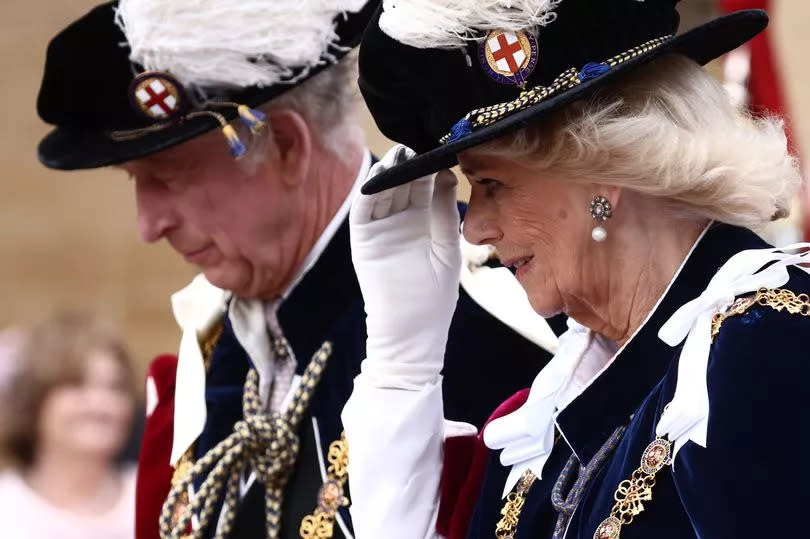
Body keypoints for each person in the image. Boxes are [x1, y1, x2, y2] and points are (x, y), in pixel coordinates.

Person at [35, 1, 559, 538]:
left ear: (287, 147)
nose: (149, 224)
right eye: (134, 181)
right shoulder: (212, 341)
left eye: (170, 178)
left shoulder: (495, 311)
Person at [342, 1, 808, 538]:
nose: (475, 229)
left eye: (492, 184)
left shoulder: (765, 340)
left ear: (603, 175)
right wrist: (401, 368)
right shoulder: (548, 415)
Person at [0, 313, 137, 539]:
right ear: (34, 400)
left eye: (115, 387)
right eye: (77, 385)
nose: (100, 403)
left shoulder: (158, 500)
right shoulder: (6, 509)